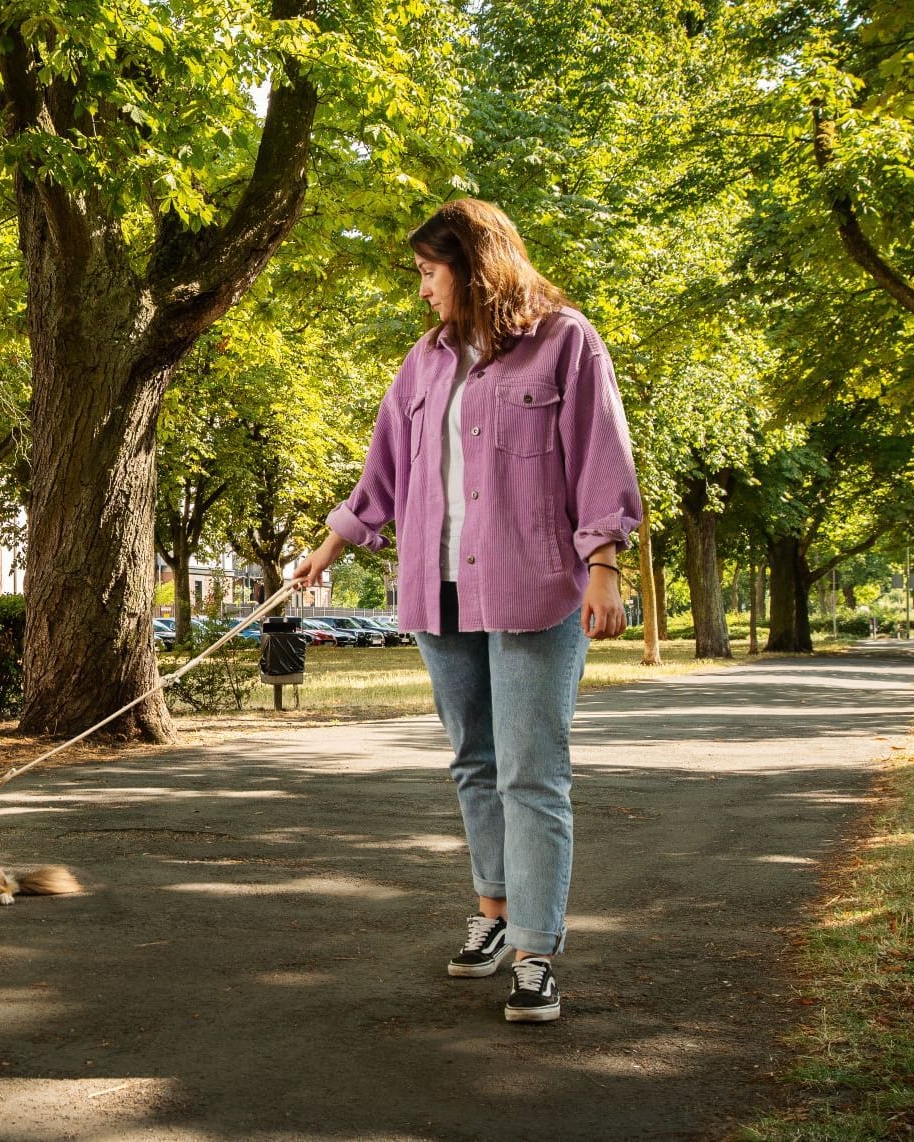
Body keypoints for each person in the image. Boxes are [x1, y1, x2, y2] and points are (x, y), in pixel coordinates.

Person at [291, 199, 642, 1024]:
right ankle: (491, 913)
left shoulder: (566, 342)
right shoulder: (423, 361)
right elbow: (383, 470)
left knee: (531, 774)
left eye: (427, 271)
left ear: (472, 265)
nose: (420, 290)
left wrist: (604, 568)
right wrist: (329, 548)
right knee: (473, 765)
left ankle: (534, 951)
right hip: (436, 590)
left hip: (533, 589)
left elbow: (600, 458)